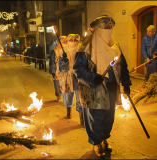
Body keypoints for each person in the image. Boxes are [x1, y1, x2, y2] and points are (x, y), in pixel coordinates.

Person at [73, 16, 132, 158]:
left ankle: (104, 138)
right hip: (94, 90)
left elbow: (122, 66)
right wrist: (93, 77)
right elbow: (78, 69)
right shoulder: (87, 46)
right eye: (106, 27)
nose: (109, 31)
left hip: (112, 88)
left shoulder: (114, 45)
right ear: (98, 29)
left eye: (111, 27)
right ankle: (96, 142)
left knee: (109, 117)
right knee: (95, 118)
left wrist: (126, 83)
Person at [60, 34, 83, 123]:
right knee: (68, 95)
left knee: (80, 96)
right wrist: (64, 61)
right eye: (71, 40)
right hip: (68, 76)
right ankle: (68, 111)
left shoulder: (81, 49)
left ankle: (81, 117)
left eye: (75, 40)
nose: (73, 42)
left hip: (78, 76)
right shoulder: (64, 50)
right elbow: (61, 67)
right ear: (68, 41)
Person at [49, 36, 67, 102]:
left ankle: (65, 97)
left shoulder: (66, 50)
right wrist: (53, 71)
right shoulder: (55, 50)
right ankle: (58, 95)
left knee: (65, 84)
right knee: (57, 83)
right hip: (57, 70)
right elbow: (52, 62)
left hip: (64, 71)